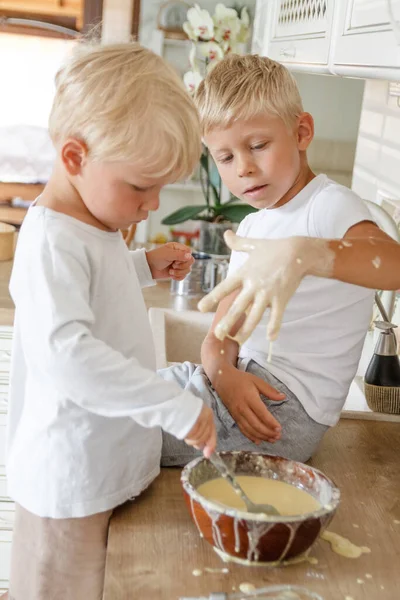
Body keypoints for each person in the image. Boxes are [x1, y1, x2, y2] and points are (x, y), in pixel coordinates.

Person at [6, 41, 216, 600]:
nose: (152, 204)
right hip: (68, 477)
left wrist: (141, 266)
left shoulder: (91, 226)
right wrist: (170, 404)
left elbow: (94, 285)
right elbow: (68, 353)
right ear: (75, 158)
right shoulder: (50, 239)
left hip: (99, 464)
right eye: (141, 186)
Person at [160, 53, 400, 468]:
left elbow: (392, 262)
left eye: (258, 145)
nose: (245, 169)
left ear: (302, 132)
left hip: (282, 409)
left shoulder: (327, 207)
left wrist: (306, 253)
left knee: (109, 431)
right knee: (107, 400)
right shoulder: (252, 227)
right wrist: (222, 372)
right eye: (226, 157)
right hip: (234, 386)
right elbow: (223, 334)